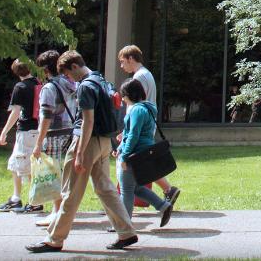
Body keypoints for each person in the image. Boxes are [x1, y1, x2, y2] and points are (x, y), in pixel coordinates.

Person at [26, 50, 137, 253]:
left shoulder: (86, 85)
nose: (69, 79)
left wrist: (79, 153)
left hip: (86, 142)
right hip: (105, 140)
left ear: (75, 66)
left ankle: (54, 239)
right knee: (105, 188)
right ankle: (126, 232)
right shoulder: (100, 79)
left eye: (68, 74)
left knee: (70, 192)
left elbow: (88, 120)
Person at [117, 45, 181, 205]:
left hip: (141, 126)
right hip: (145, 125)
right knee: (142, 163)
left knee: (139, 163)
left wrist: (126, 130)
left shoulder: (139, 77)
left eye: (123, 61)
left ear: (131, 59)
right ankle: (165, 192)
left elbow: (135, 104)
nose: (121, 65)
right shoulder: (146, 74)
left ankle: (167, 190)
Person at [116, 78, 176, 226]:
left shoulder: (136, 110)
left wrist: (124, 156)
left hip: (134, 156)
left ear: (129, 94)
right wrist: (119, 149)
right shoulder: (148, 108)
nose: (122, 99)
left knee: (126, 190)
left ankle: (124, 225)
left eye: (123, 95)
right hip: (144, 154)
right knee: (136, 188)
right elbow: (132, 134)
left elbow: (133, 135)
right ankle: (163, 206)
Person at [30, 50, 78, 226]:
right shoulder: (72, 84)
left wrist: (37, 143)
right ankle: (61, 210)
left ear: (45, 70)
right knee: (65, 174)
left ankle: (57, 211)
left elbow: (46, 116)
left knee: (53, 173)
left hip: (53, 134)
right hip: (71, 131)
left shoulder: (49, 88)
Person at [0, 59, 41, 213]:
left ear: (15, 72)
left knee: (21, 166)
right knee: (22, 165)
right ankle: (23, 198)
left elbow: (16, 112)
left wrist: (4, 132)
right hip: (38, 130)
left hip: (26, 131)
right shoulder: (38, 83)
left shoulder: (20, 87)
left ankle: (29, 200)